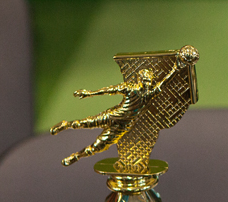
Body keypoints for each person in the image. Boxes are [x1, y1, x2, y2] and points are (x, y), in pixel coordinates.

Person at [51, 46, 195, 167]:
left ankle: (76, 156)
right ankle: (65, 125)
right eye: (145, 80)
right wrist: (89, 93)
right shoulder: (130, 88)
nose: (147, 83)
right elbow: (110, 90)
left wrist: (176, 68)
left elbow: (164, 82)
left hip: (124, 126)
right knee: (85, 123)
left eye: (149, 81)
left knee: (99, 146)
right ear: (140, 79)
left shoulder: (150, 94)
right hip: (113, 115)